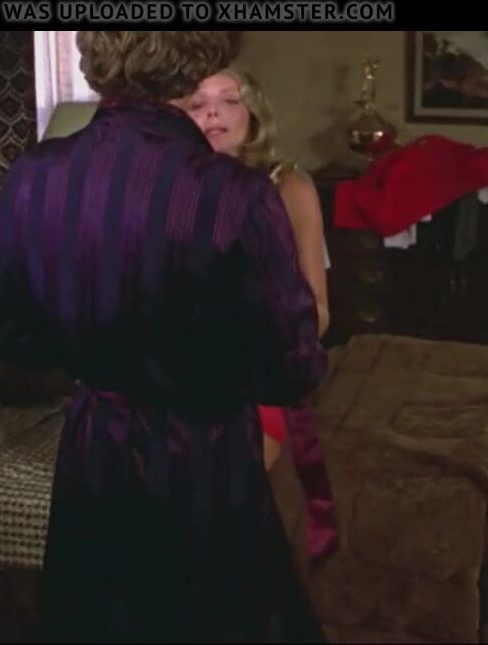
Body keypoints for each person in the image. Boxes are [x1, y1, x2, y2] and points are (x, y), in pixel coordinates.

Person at [0, 32, 327, 643]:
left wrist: (103, 353)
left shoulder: (35, 173)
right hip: (206, 452)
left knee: (98, 618)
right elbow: (292, 370)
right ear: (199, 58)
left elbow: (12, 336)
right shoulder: (236, 194)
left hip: (94, 447)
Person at [182, 67, 340, 563]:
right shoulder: (167, 188)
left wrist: (257, 340)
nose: (213, 112)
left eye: (229, 101)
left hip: (254, 373)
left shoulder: (288, 187)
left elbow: (318, 312)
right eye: (197, 103)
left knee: (219, 488)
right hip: (176, 371)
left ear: (253, 113)